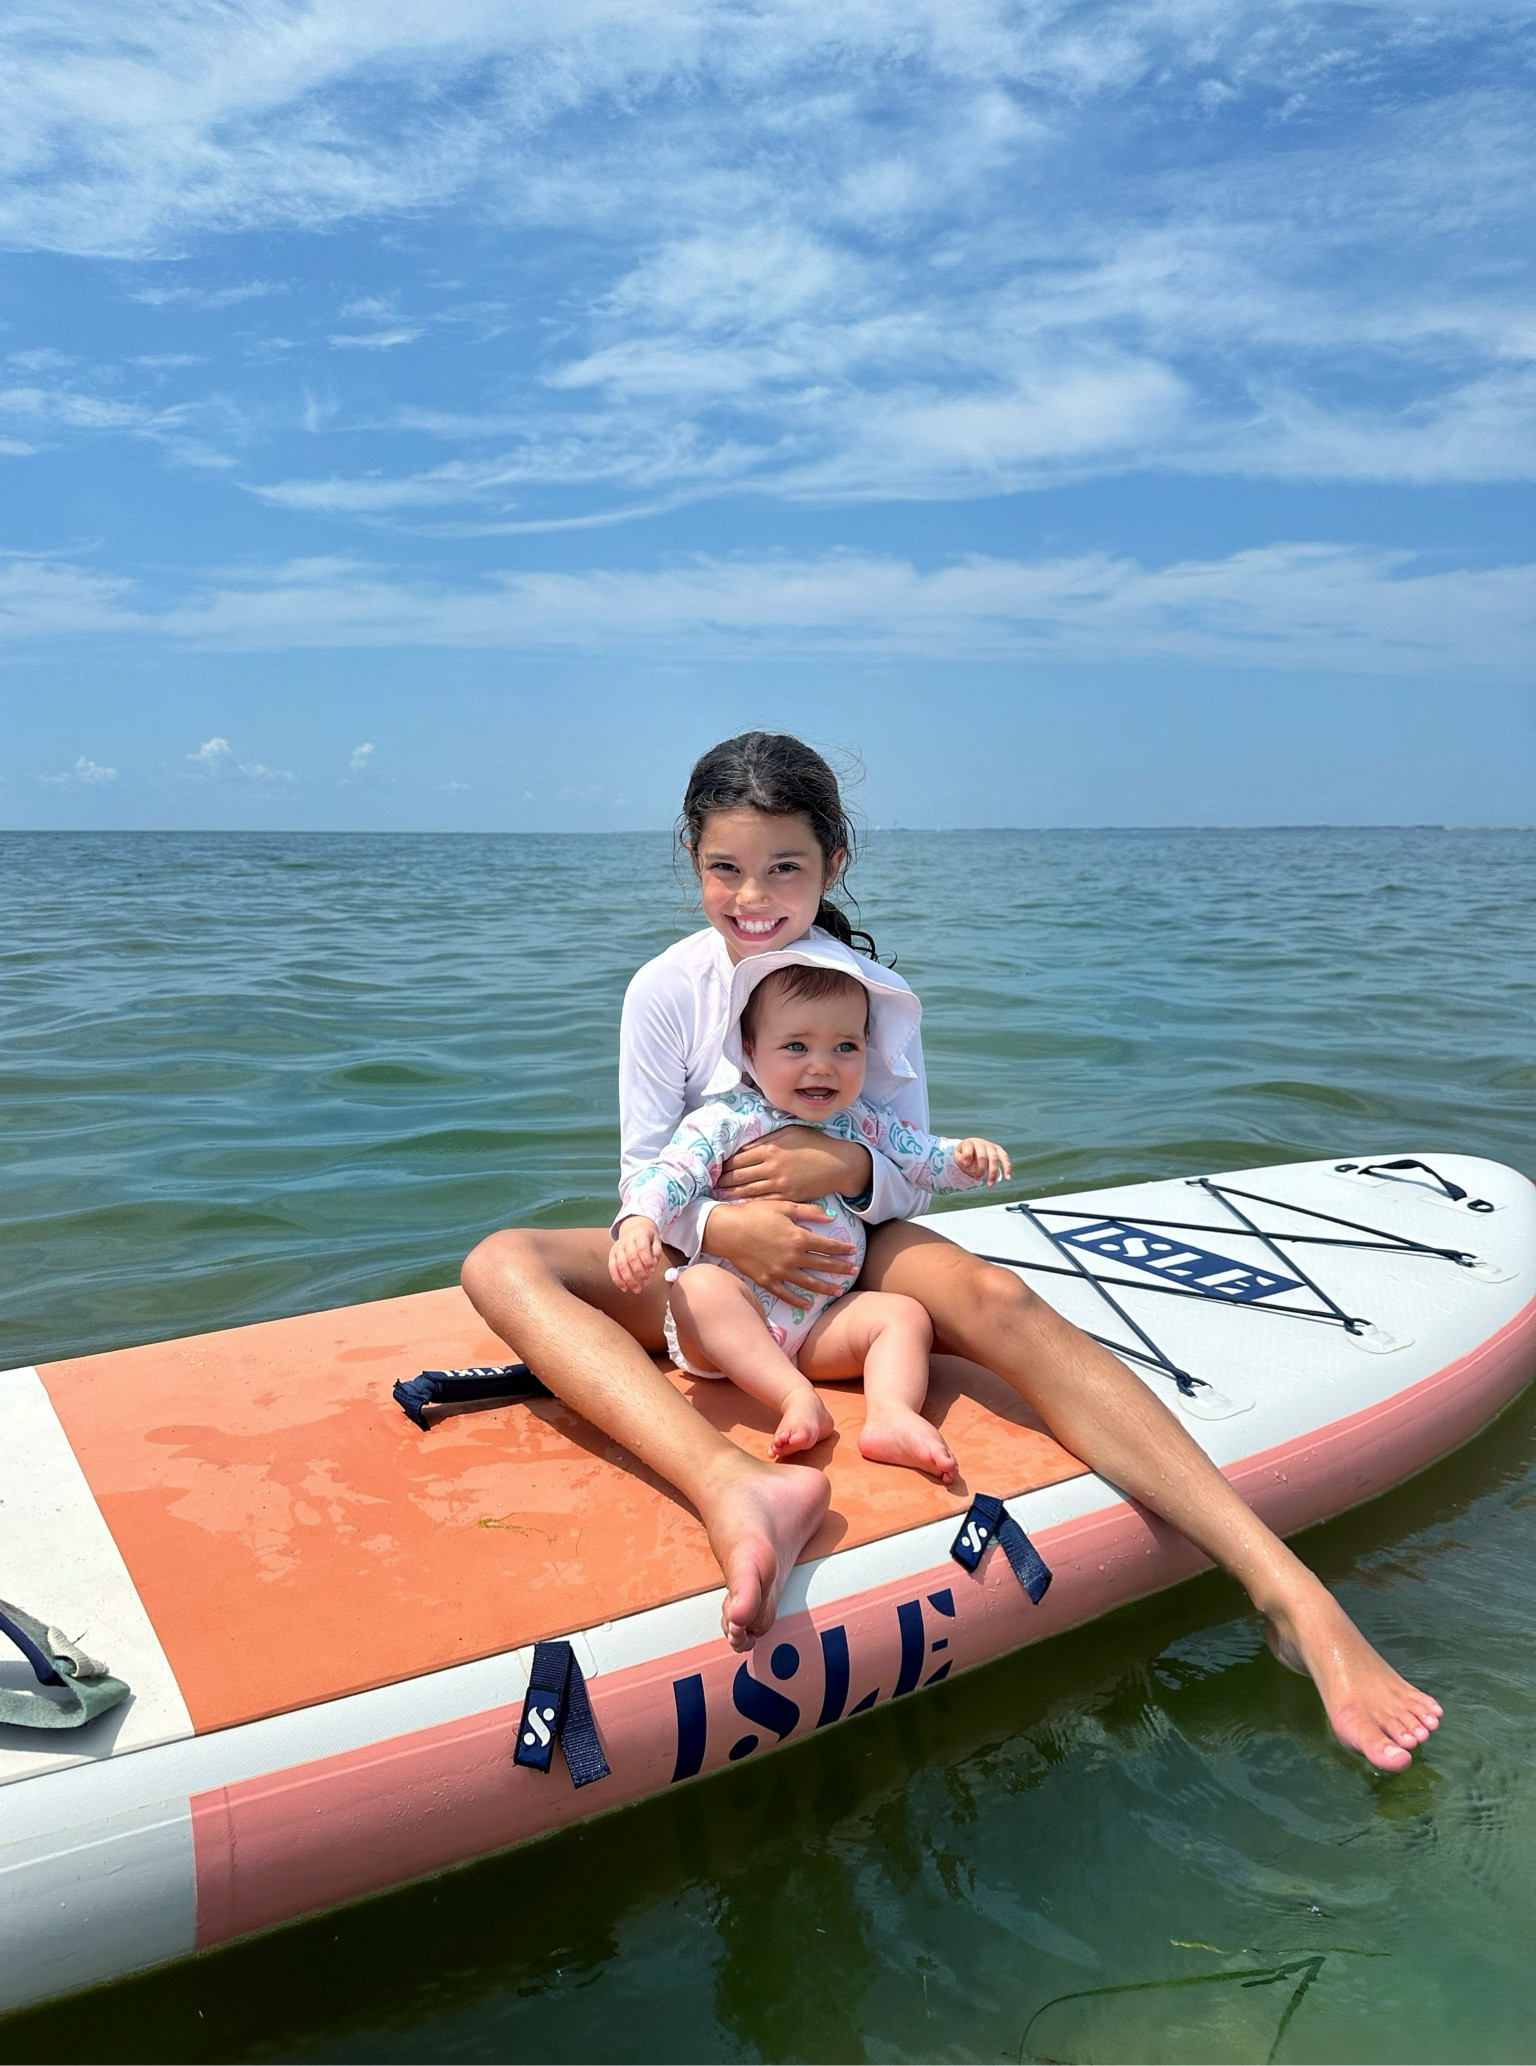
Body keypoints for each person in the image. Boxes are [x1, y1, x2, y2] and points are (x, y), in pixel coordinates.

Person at [462, 731, 1442, 1770]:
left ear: (834, 862)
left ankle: (1289, 1592)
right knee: (499, 1264)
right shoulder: (665, 990)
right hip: (706, 1259)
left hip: (849, 1245)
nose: (753, 897)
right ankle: (732, 1486)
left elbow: (912, 1168)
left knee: (997, 1296)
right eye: (724, 868)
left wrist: (843, 1167)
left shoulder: (871, 993)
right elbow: (644, 1171)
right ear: (692, 863)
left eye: (785, 867)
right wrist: (718, 1227)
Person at [609, 960, 1011, 1478]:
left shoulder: (862, 1121)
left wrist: (963, 1159)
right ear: (749, 1051)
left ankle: (892, 1415)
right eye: (796, 1046)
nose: (822, 1066)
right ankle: (795, 1398)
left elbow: (921, 1159)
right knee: (698, 1288)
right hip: (735, 1322)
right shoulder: (723, 1121)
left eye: (845, 1047)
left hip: (820, 1322)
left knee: (904, 1316)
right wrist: (640, 1221)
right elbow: (670, 1174)